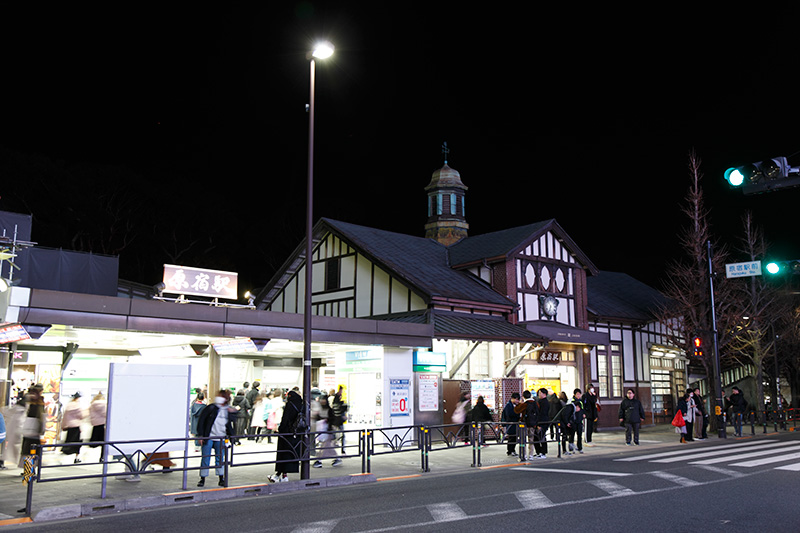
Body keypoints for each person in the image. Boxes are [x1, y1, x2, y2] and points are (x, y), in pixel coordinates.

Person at [196, 390, 237, 487]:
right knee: (205, 458)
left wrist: (232, 438)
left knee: (220, 459)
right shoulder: (211, 408)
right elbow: (201, 421)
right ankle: (202, 478)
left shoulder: (227, 410)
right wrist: (201, 435)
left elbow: (231, 424)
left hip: (221, 438)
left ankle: (221, 478)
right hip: (209, 436)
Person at [270, 390, 304, 483]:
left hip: (286, 433)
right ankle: (279, 475)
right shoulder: (301, 405)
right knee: (290, 454)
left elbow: (285, 419)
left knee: (283, 454)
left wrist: (280, 429)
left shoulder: (289, 405)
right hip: (296, 433)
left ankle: (282, 475)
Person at [20, 386, 46, 468]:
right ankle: (30, 468)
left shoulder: (35, 403)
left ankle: (29, 468)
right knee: (30, 450)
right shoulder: (35, 403)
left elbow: (42, 418)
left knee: (29, 450)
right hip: (31, 430)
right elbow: (42, 418)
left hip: (30, 430)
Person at [312, 395, 341, 468]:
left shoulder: (329, 410)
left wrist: (327, 422)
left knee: (325, 447)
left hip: (328, 430)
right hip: (322, 430)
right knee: (326, 447)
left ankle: (319, 460)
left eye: (324, 399)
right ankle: (336, 459)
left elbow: (332, 419)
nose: (322, 401)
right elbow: (317, 418)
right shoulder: (321, 409)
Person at [61, 392, 86, 463]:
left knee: (69, 442)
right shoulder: (77, 406)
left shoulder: (68, 406)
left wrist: (63, 425)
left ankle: (65, 455)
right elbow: (81, 416)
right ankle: (76, 457)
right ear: (77, 398)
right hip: (76, 426)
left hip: (70, 427)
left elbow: (65, 417)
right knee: (77, 443)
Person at [514, 390, 539, 461]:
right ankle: (531, 455)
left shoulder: (525, 404)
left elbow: (516, 410)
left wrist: (519, 403)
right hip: (533, 424)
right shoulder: (535, 403)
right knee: (531, 439)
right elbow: (538, 413)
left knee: (523, 440)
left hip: (524, 424)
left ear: (523, 396)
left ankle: (523, 455)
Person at [1, 398, 25, 469]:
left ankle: (1, 461)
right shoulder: (22, 412)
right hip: (15, 434)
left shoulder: (13, 410)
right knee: (12, 450)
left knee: (5, 449)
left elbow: (3, 410)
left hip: (6, 432)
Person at [88, 392, 107, 461]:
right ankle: (102, 457)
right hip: (103, 425)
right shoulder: (103, 405)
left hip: (95, 425)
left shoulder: (92, 405)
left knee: (96, 442)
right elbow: (105, 414)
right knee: (104, 443)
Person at [534, 388, 550, 458]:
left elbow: (543, 414)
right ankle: (538, 452)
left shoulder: (545, 403)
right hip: (539, 422)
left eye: (540, 393)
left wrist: (539, 424)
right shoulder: (540, 401)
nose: (539, 394)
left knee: (541, 437)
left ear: (544, 394)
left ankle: (543, 452)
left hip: (542, 422)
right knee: (536, 438)